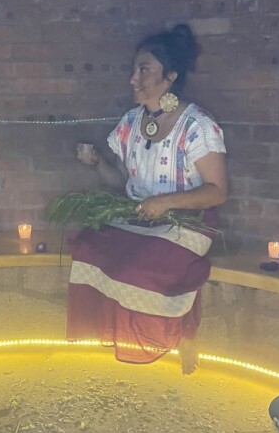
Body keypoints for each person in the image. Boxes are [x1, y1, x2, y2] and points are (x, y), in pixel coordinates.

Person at [69, 23, 227, 374]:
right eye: (134, 69)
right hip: (138, 214)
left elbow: (217, 190)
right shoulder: (130, 123)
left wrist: (166, 202)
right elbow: (122, 183)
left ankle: (182, 334)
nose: (133, 79)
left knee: (141, 264)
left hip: (188, 221)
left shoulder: (197, 126)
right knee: (88, 248)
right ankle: (125, 335)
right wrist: (97, 164)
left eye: (144, 70)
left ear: (170, 77)